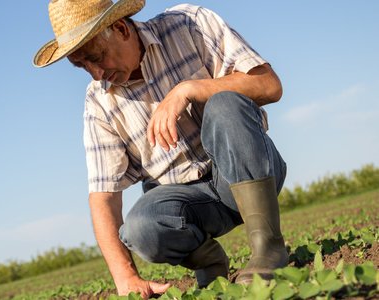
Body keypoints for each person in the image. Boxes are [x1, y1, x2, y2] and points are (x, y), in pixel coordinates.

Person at [34, 0, 289, 298]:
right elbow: (103, 197)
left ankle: (269, 248)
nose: (96, 74)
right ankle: (210, 262)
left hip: (250, 169)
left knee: (225, 102)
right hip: (189, 204)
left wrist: (189, 89)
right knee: (140, 228)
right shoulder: (98, 103)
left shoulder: (188, 24)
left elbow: (269, 86)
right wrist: (126, 277)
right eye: (81, 65)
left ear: (120, 28)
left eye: (97, 57)